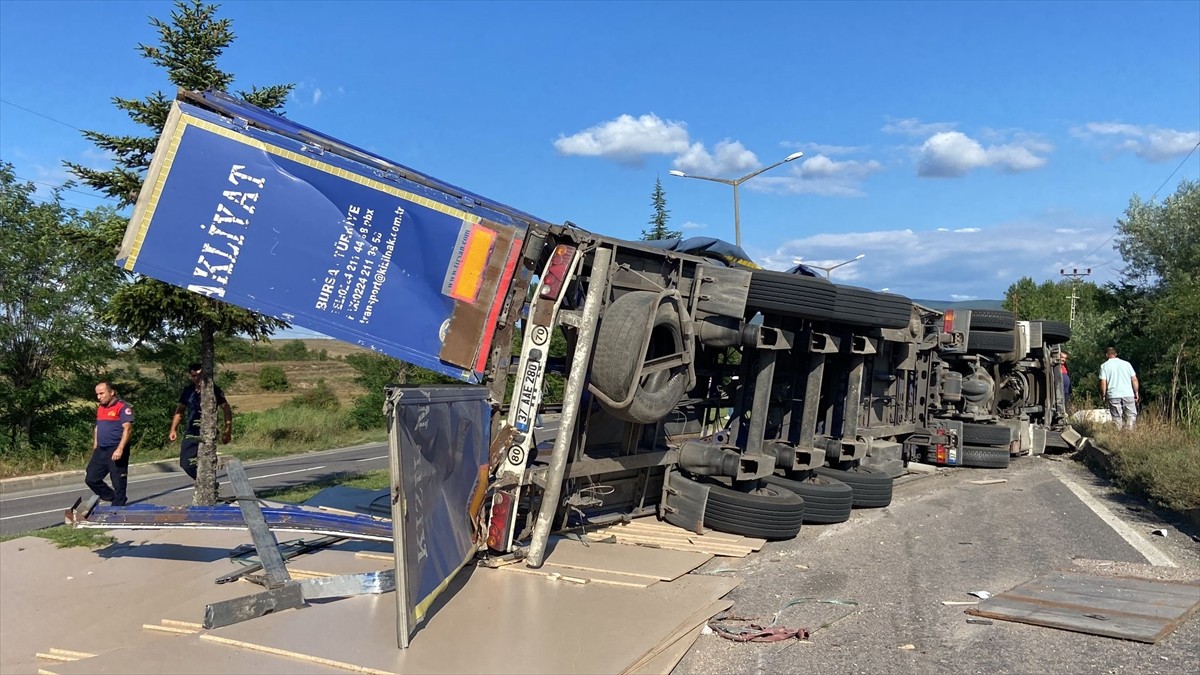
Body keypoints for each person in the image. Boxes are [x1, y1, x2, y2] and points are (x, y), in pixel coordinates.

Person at [169, 363, 233, 480]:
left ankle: (209, 487)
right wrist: (173, 429)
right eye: (194, 376)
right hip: (192, 431)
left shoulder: (213, 389)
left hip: (208, 430)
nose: (197, 378)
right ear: (190, 376)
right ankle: (206, 483)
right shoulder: (188, 390)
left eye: (199, 375)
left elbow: (226, 408)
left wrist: (227, 429)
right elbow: (180, 410)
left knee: (206, 461)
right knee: (186, 463)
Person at [86, 382, 134, 506]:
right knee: (91, 478)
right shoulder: (101, 408)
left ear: (111, 392)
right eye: (97, 394)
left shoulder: (122, 407)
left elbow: (127, 429)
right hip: (101, 449)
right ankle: (111, 496)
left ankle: (118, 507)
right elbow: (98, 427)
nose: (99, 397)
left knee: (118, 480)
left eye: (102, 393)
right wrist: (95, 445)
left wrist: (120, 449)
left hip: (116, 448)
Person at [1099, 346, 1139, 430]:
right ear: (1116, 354)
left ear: (1106, 355)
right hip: (1128, 393)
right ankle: (1130, 433)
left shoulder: (1104, 366)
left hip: (1113, 394)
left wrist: (1103, 395)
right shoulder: (1126, 364)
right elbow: (1134, 379)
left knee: (1117, 417)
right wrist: (1136, 392)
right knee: (1131, 415)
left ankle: (1118, 434)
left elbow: (1103, 382)